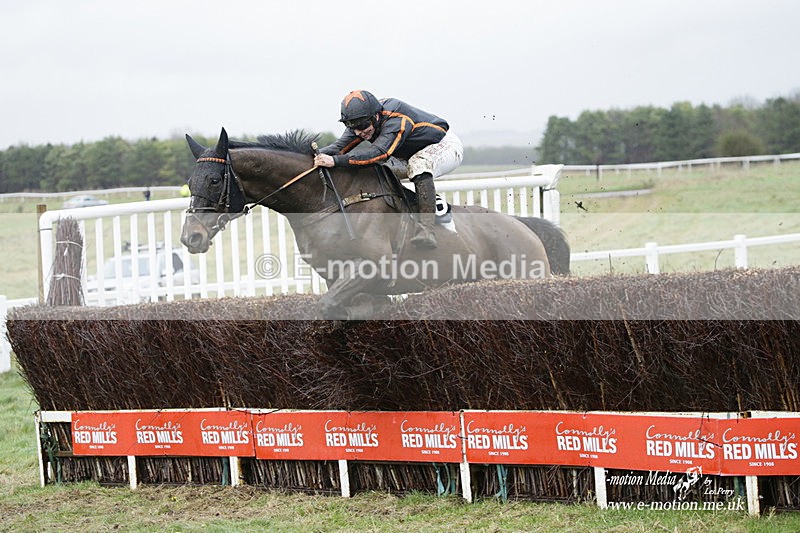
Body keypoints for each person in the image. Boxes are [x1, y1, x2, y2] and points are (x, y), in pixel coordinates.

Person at [314, 90, 463, 249]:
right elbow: (338, 148)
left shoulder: (396, 120)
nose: (358, 132)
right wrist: (309, 155)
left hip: (444, 145)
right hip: (408, 154)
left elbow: (378, 153)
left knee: (418, 164)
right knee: (375, 169)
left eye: (362, 126)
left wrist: (335, 161)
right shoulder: (361, 120)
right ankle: (415, 202)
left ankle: (427, 230)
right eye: (352, 127)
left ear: (376, 116)